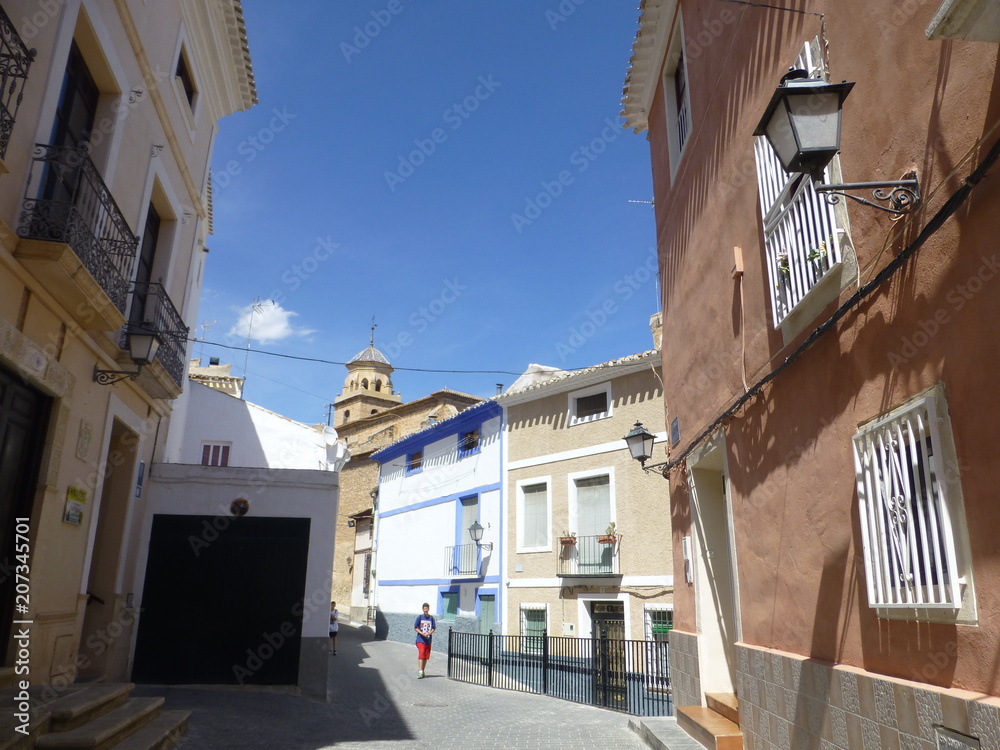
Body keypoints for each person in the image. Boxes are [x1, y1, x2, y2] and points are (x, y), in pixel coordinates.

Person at [413, 602, 436, 678]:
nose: (425, 611)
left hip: (428, 640)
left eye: (427, 610)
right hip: (420, 639)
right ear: (423, 609)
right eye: (424, 610)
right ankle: (420, 671)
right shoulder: (419, 617)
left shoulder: (431, 618)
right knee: (421, 653)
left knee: (426, 656)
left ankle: (422, 671)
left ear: (428, 609)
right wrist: (422, 634)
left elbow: (433, 628)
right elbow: (415, 627)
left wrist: (429, 633)